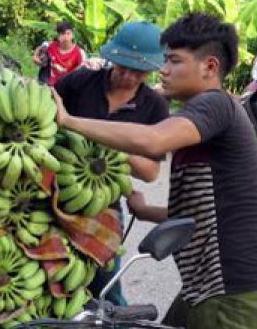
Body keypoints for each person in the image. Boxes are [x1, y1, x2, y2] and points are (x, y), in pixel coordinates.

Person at [54, 13, 257, 329]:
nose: (163, 70)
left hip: (233, 294)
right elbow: (205, 210)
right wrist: (146, 211)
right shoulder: (203, 116)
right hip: (206, 288)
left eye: (174, 61)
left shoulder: (216, 105)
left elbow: (153, 141)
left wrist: (69, 121)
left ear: (209, 67)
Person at [54, 21, 170, 306]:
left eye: (139, 71)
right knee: (54, 273)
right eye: (121, 67)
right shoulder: (80, 82)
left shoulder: (154, 106)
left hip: (102, 200)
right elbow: (49, 107)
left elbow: (151, 172)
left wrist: (112, 141)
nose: (128, 76)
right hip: (54, 190)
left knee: (105, 281)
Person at [32, 20, 85, 86]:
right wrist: (36, 58)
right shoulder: (50, 46)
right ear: (58, 36)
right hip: (48, 84)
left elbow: (83, 72)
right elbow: (39, 49)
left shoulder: (79, 52)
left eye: (68, 34)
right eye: (62, 34)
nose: (66, 37)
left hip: (66, 87)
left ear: (72, 35)